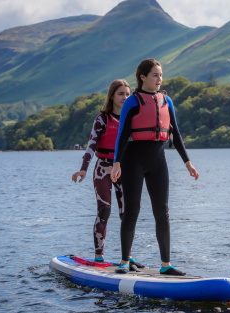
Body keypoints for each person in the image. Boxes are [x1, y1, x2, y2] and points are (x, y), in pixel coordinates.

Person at [111, 58, 199, 276]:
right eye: (155, 75)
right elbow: (122, 135)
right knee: (132, 211)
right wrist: (117, 163)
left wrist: (187, 162)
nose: (159, 79)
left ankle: (166, 264)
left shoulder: (166, 101)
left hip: (158, 161)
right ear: (143, 77)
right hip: (133, 161)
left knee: (162, 212)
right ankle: (124, 261)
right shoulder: (132, 101)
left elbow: (176, 134)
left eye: (161, 75)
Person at [72, 79, 144, 270]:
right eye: (121, 93)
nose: (125, 97)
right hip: (103, 168)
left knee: (126, 214)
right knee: (104, 211)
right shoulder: (102, 119)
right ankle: (99, 256)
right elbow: (91, 145)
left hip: (123, 169)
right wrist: (83, 169)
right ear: (112, 95)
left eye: (128, 94)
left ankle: (127, 257)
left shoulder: (131, 119)